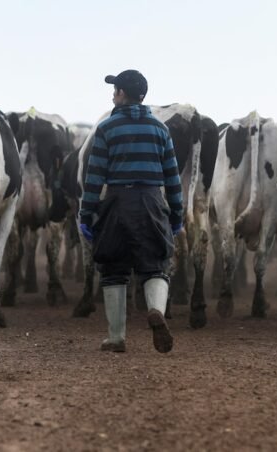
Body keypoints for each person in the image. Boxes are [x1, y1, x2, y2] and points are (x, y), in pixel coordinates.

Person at [78, 69, 183, 354]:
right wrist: (176, 215)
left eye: (115, 90)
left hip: (117, 203)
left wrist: (86, 214)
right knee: (156, 267)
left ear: (122, 94)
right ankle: (156, 311)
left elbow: (94, 177)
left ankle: (116, 337)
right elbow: (173, 178)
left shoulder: (106, 129)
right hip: (151, 202)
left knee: (113, 269)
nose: (112, 95)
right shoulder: (161, 130)